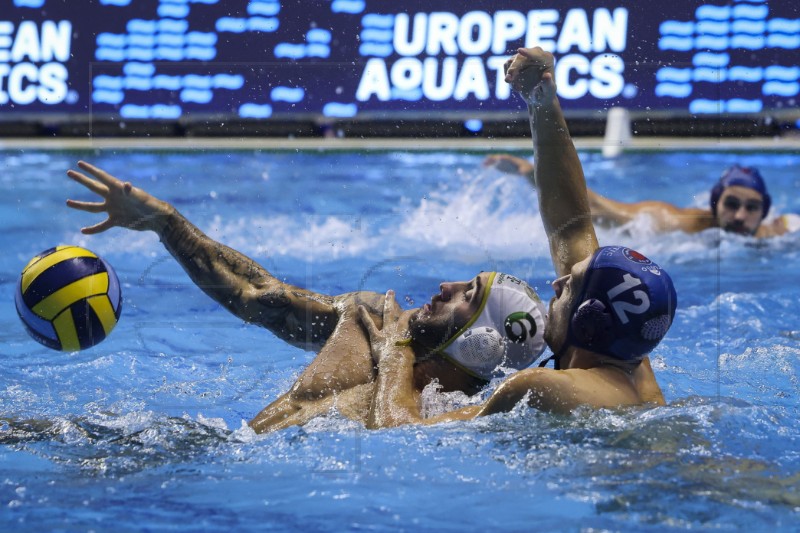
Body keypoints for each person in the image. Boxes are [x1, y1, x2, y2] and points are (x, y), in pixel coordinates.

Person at [65, 169, 547, 433]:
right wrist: (166, 223)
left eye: (468, 295)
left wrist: (396, 354)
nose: (447, 286)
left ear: (480, 343)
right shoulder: (370, 316)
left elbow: (396, 435)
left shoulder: (457, 418)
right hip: (215, 449)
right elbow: (259, 298)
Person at [358, 47, 677, 427]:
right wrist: (542, 103)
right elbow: (571, 225)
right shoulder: (627, 353)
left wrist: (394, 350)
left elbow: (400, 431)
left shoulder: (541, 386)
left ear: (587, 322)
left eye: (568, 287)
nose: (556, 282)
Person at [484, 153, 798, 238]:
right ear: (715, 204)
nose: (741, 216)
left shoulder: (781, 232)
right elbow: (594, 208)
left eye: (752, 207)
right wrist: (535, 174)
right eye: (731, 204)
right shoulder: (676, 223)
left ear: (765, 210)